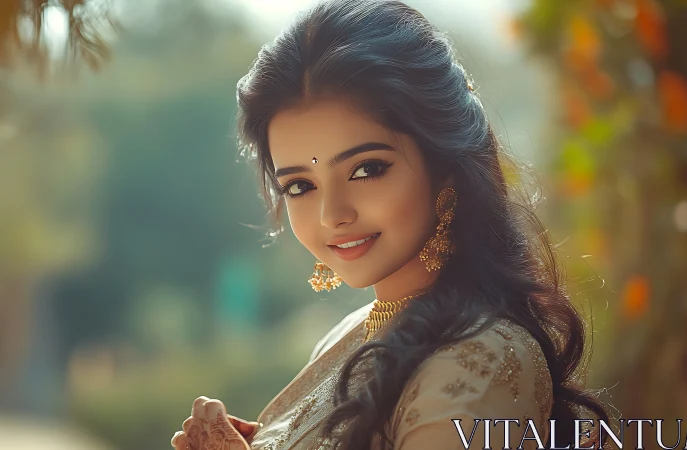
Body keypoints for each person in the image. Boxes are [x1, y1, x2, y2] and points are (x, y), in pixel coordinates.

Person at [171, 0, 613, 449]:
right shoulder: (346, 336)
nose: (332, 215)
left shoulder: (481, 358)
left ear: (445, 165)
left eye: (366, 170)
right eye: (300, 186)